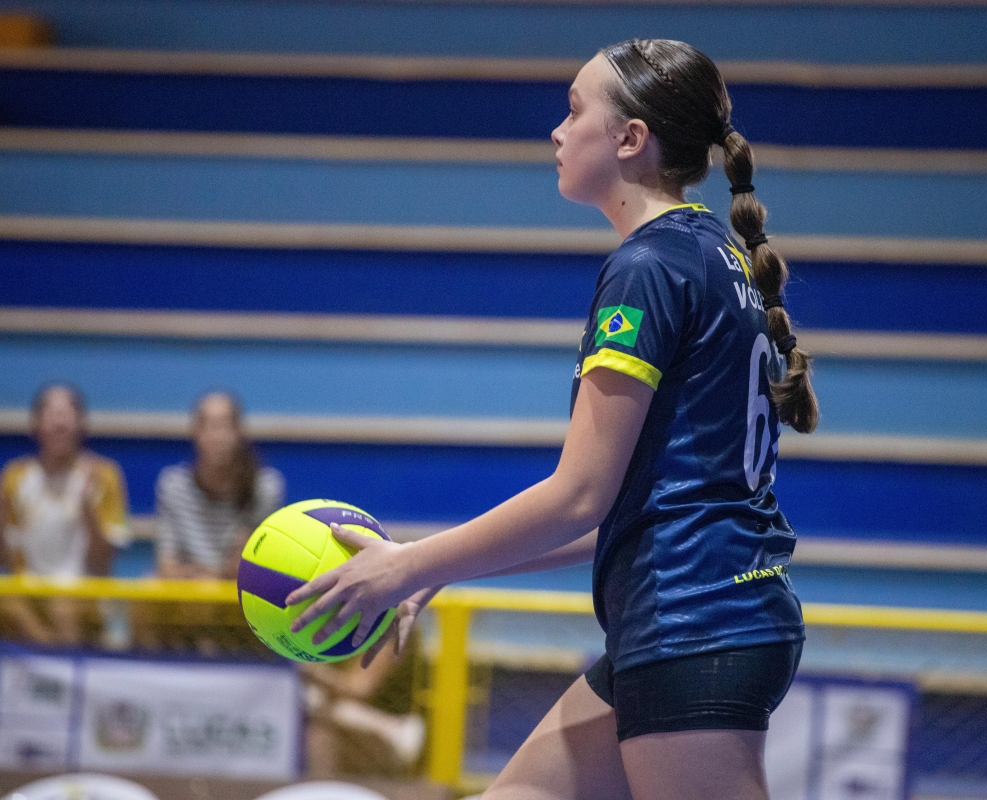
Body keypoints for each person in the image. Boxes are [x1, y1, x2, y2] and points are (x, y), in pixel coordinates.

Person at [287, 39, 819, 800]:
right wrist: (433, 566)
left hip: (694, 621)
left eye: (574, 111)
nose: (557, 131)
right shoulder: (713, 253)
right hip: (696, 612)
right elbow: (622, 516)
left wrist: (404, 566)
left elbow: (578, 497)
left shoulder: (648, 267)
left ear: (630, 138)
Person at [0, 383, 131, 644]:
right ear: (35, 425)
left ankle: (56, 658)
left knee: (62, 607)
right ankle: (52, 654)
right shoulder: (13, 476)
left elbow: (103, 561)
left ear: (82, 424)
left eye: (67, 414)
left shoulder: (105, 475)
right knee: (0, 601)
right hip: (29, 593)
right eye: (51, 414)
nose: (59, 424)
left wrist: (87, 508)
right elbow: (2, 560)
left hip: (84, 593)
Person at [156, 391, 284, 580]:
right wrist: (217, 578)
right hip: (189, 595)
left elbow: (261, 571)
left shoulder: (265, 488)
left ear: (239, 432)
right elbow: (167, 569)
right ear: (194, 432)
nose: (217, 436)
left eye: (224, 425)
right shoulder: (173, 487)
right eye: (208, 426)